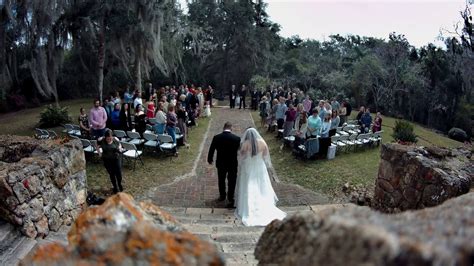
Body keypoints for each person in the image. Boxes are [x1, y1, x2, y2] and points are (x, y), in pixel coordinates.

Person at [235, 128, 286, 226]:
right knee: (262, 185)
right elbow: (266, 155)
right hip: (260, 166)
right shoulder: (262, 142)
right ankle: (265, 204)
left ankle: (248, 207)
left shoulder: (245, 144)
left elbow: (241, 155)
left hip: (249, 166)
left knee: (249, 184)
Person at [207, 122, 241, 208]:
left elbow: (212, 149)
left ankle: (222, 196)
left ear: (223, 127)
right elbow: (239, 150)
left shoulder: (217, 137)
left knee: (221, 180)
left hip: (221, 162)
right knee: (232, 181)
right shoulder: (237, 139)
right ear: (231, 128)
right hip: (232, 163)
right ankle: (230, 196)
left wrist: (210, 159)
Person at [97, 129, 123, 194]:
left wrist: (120, 148)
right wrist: (99, 153)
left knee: (118, 174)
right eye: (107, 139)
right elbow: (97, 145)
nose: (109, 140)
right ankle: (115, 187)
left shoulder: (115, 140)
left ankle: (119, 184)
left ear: (112, 137)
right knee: (111, 174)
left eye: (110, 138)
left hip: (116, 159)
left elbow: (120, 145)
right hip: (107, 160)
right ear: (105, 137)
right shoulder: (101, 140)